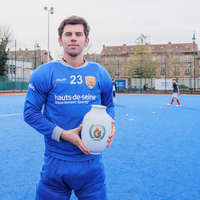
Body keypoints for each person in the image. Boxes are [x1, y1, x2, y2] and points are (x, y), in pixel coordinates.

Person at [24, 16, 115, 200]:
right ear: (60, 40)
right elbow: (30, 113)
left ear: (86, 40)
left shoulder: (100, 73)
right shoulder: (45, 73)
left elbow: (109, 106)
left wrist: (111, 125)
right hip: (56, 162)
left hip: (91, 164)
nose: (73, 38)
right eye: (68, 34)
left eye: (78, 34)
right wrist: (64, 135)